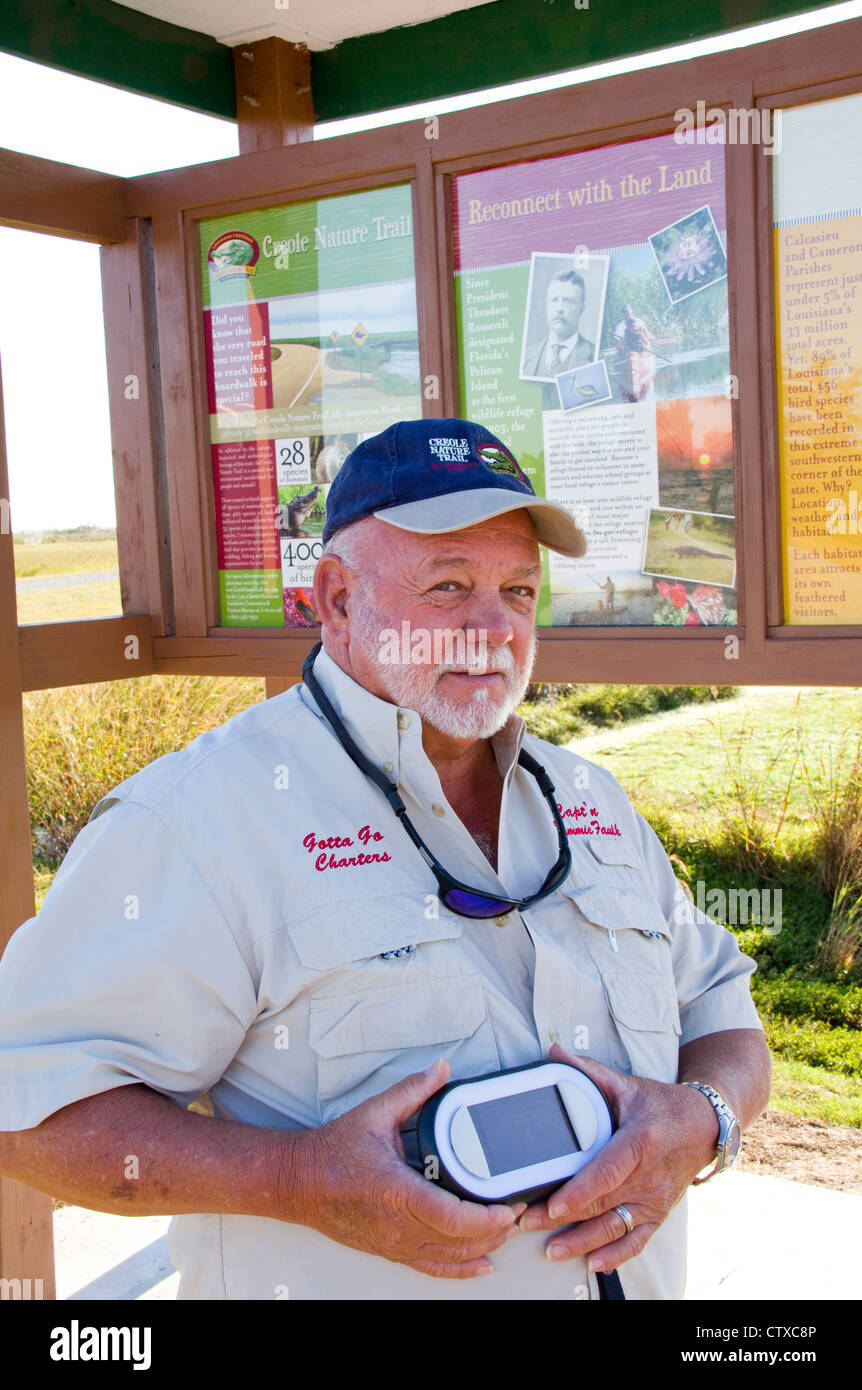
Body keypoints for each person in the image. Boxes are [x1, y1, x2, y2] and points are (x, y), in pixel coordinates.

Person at [0, 417, 770, 1301]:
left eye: (519, 591)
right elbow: (30, 1112)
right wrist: (297, 1182)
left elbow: (720, 1005)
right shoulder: (198, 823)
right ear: (334, 599)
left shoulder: (591, 801)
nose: (493, 629)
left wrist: (702, 1117)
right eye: (447, 586)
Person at [522, 270, 596, 379]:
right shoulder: (526, 356)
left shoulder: (595, 356)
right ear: (547, 304)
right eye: (554, 300)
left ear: (581, 309)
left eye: (568, 301)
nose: (559, 309)